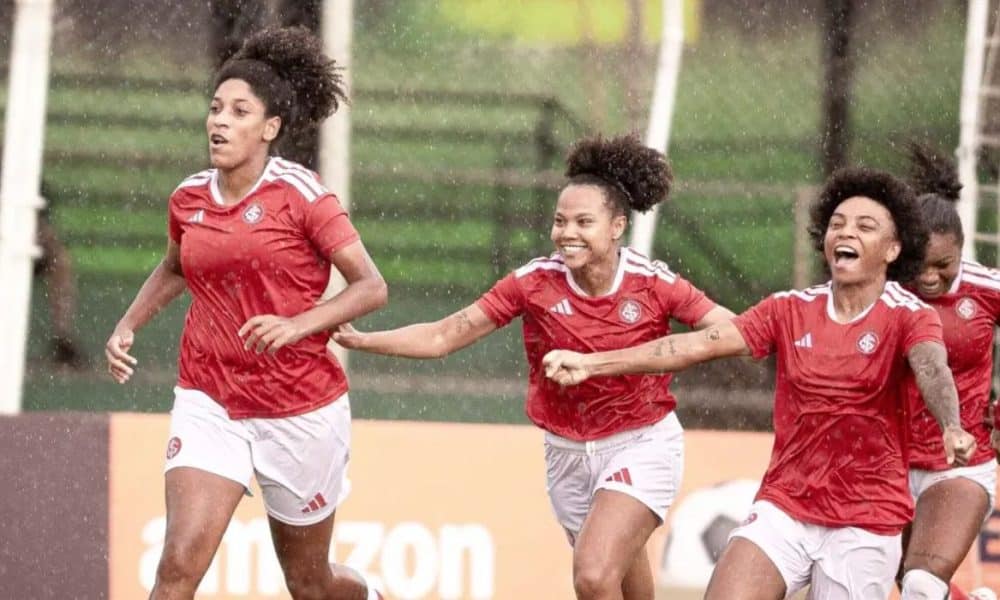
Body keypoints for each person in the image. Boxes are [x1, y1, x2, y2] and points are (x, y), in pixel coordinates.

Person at [543, 167, 977, 600]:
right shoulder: (789, 309)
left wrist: (951, 425)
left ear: (892, 249)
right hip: (785, 506)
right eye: (837, 224)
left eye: (866, 227)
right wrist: (594, 363)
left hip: (865, 518)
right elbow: (692, 346)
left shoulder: (909, 314)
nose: (846, 233)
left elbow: (932, 367)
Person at [333, 133, 735, 600]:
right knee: (617, 573)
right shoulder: (534, 283)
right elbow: (445, 335)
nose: (568, 233)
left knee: (592, 574)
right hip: (566, 454)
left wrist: (602, 364)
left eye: (584, 221)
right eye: (560, 221)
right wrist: (362, 340)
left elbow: (728, 333)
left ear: (617, 227)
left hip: (640, 444)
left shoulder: (653, 283)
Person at [104, 27, 387, 600]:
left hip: (300, 408)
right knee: (177, 567)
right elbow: (176, 268)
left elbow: (371, 287)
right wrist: (128, 323)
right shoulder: (189, 198)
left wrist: (299, 324)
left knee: (310, 584)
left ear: (270, 128)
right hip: (210, 400)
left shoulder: (303, 195)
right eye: (215, 109)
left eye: (238, 111)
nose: (220, 122)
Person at [896, 143, 1000, 600]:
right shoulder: (882, 290)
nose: (931, 277)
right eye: (921, 264)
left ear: (961, 250)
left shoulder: (985, 289)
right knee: (903, 580)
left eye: (944, 265)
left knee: (919, 584)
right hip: (887, 462)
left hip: (961, 463)